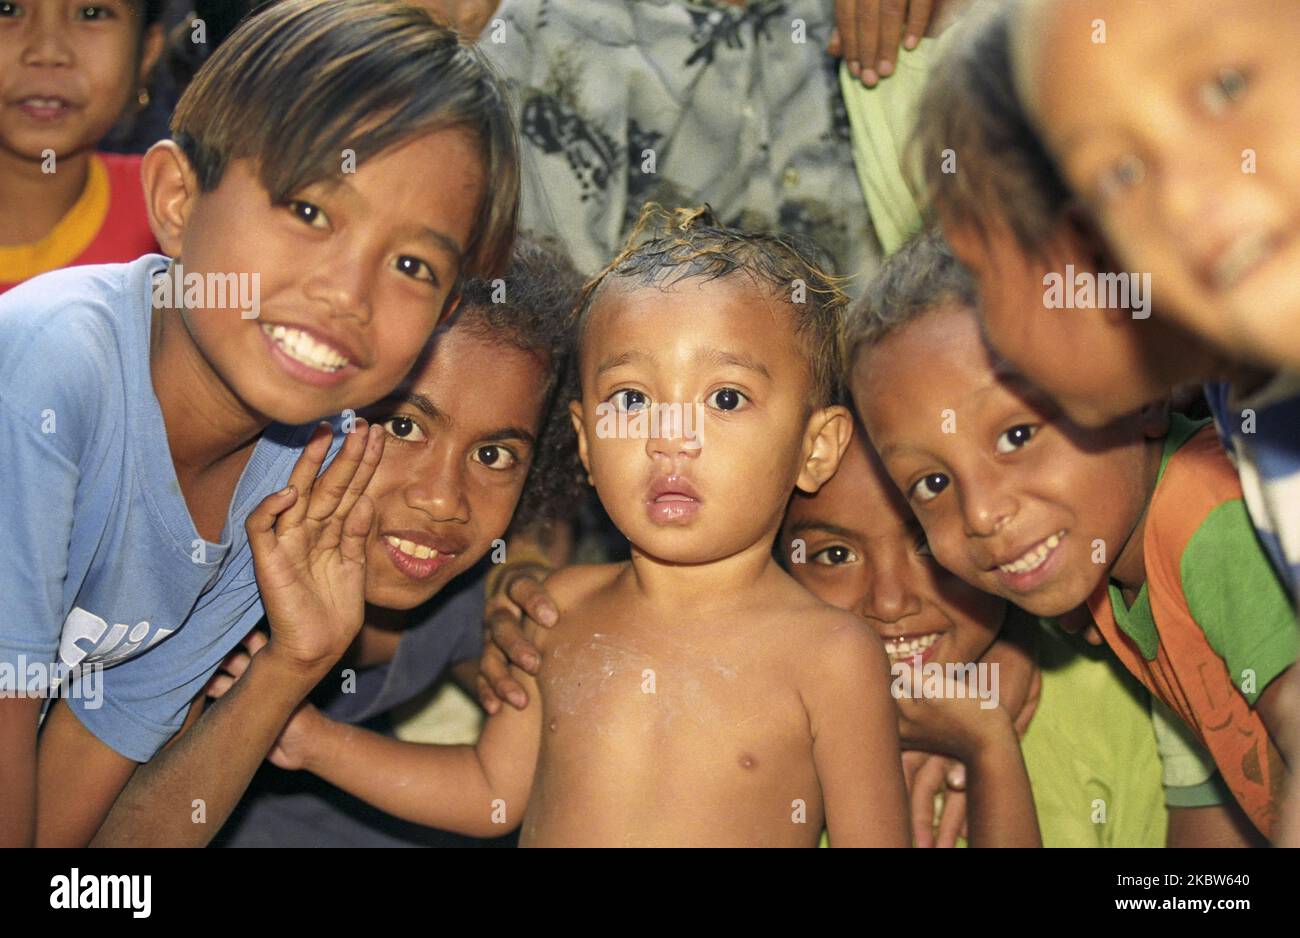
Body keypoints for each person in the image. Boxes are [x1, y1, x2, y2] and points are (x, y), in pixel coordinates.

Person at [220, 206, 912, 847]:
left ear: (815, 447)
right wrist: (311, 740)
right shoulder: (560, 607)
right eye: (632, 399)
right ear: (583, 441)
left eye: (725, 398)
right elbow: (492, 793)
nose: (670, 437)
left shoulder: (834, 656)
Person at [0, 0, 518, 847]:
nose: (348, 296)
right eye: (311, 212)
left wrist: (294, 663)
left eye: (412, 265)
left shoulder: (291, 477)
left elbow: (75, 833)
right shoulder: (52, 372)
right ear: (175, 198)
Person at [848, 232, 1297, 842]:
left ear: (1137, 391)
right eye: (930, 482)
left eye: (1017, 437)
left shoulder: (1210, 527)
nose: (981, 513)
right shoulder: (1111, 572)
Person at [209, 237, 583, 847]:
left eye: (493, 455)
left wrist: (522, 595)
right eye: (403, 426)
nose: (442, 500)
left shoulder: (467, 599)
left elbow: (502, 789)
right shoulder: (221, 584)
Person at [779, 421, 1167, 847]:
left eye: (926, 544)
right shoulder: (754, 735)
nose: (889, 602)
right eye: (835, 556)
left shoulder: (1110, 696)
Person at [0, 0, 164, 292]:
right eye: (7, 10)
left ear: (147, 52)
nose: (48, 52)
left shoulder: (181, 213)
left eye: (91, 13)